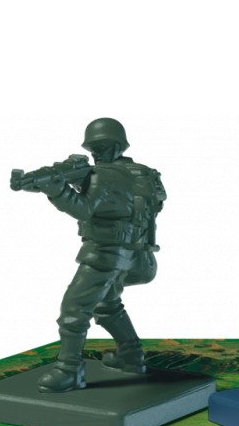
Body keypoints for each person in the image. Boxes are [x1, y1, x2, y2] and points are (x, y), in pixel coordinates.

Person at [35, 118, 166, 392]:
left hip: (104, 253)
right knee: (107, 303)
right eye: (93, 148)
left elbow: (83, 209)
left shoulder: (103, 175)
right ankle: (130, 355)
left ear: (118, 145)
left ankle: (69, 370)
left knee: (74, 310)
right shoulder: (143, 173)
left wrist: (58, 190)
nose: (96, 152)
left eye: (102, 146)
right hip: (135, 253)